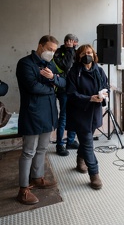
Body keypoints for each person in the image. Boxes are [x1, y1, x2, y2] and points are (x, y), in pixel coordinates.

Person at [16, 35, 66, 205]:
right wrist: (51, 88)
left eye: (54, 51)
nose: (51, 53)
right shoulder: (25, 63)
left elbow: (63, 81)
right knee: (29, 151)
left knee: (43, 148)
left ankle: (37, 177)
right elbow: (32, 86)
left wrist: (53, 79)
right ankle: (23, 189)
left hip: (49, 113)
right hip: (32, 113)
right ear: (40, 46)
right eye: (49, 49)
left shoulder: (49, 64)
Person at [66, 44, 109, 190]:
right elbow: (71, 94)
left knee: (86, 139)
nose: (87, 55)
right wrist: (89, 98)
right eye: (83, 53)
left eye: (89, 52)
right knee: (88, 143)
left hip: (94, 111)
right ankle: (94, 174)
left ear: (94, 54)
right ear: (78, 56)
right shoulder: (73, 72)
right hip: (80, 112)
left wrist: (103, 94)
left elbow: (106, 86)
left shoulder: (99, 70)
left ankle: (80, 160)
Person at [53, 34, 79, 156]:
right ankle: (59, 145)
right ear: (67, 42)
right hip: (63, 89)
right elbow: (66, 66)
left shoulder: (77, 52)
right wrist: (69, 50)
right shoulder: (58, 52)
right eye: (72, 42)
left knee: (73, 115)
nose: (74, 45)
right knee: (63, 117)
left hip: (74, 89)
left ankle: (70, 141)